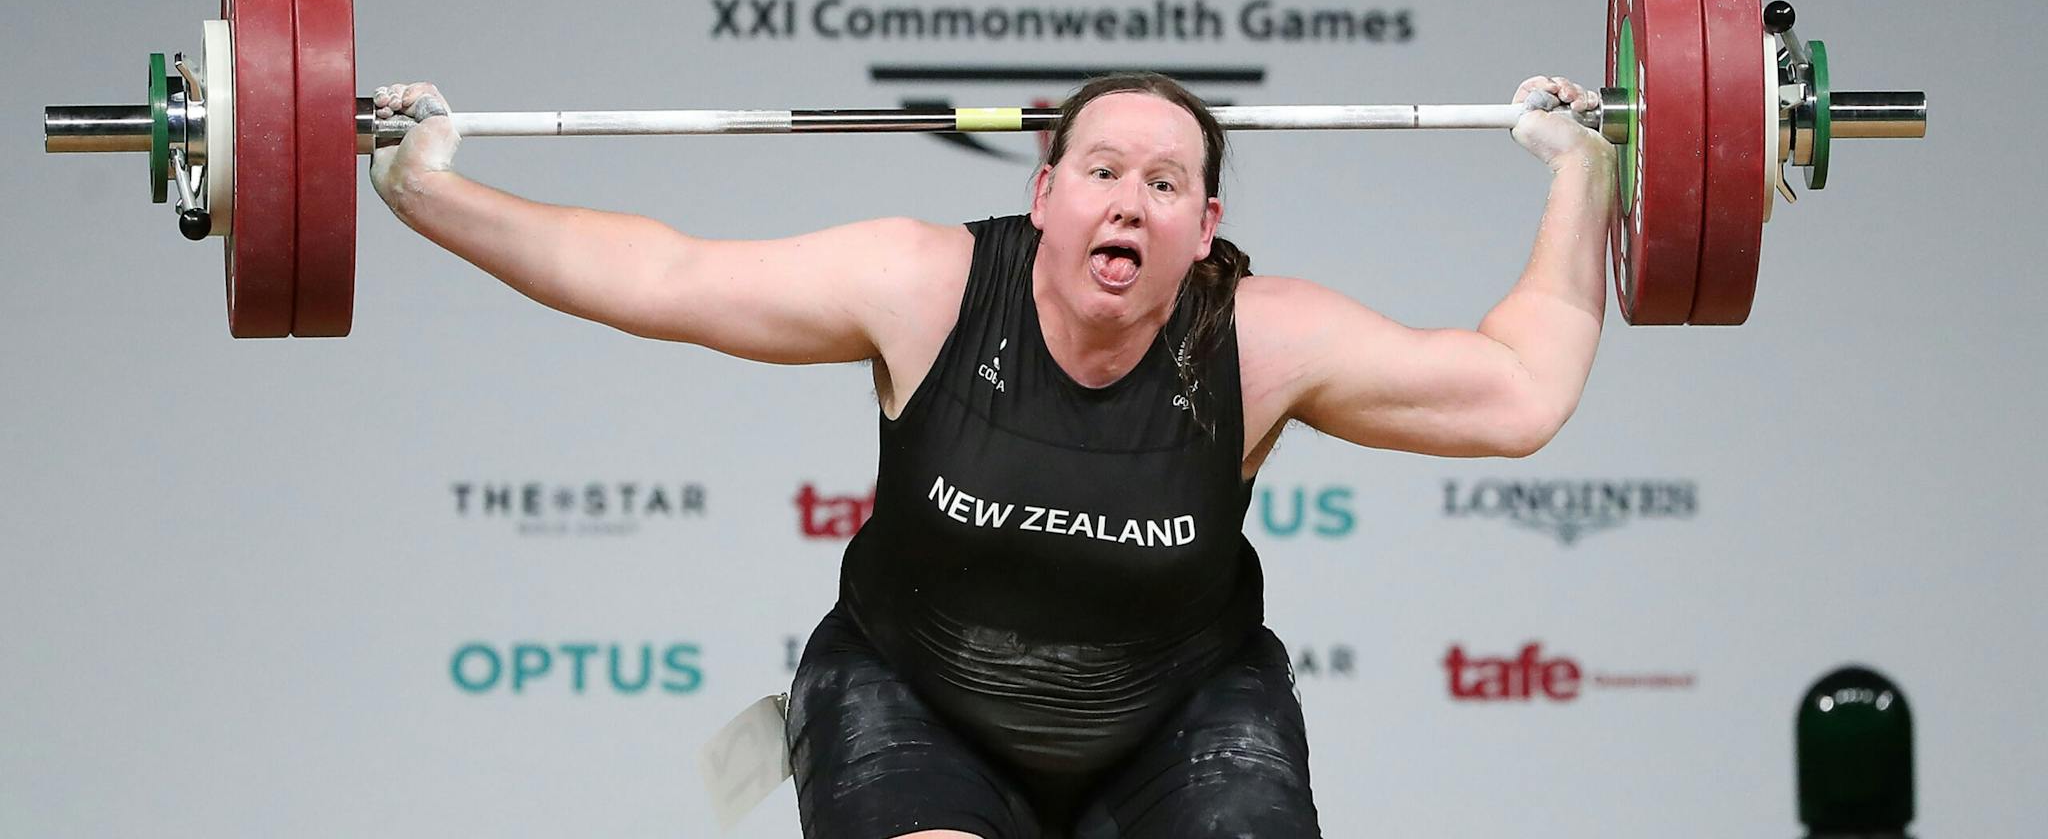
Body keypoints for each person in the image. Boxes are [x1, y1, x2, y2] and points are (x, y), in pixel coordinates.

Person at [369, 72, 1612, 839]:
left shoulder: (1264, 339)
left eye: (1166, 182)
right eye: (1103, 170)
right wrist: (429, 192)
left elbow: (1513, 394)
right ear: (1044, 195)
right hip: (913, 698)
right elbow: (660, 275)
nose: (1128, 200)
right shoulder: (924, 286)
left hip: (1179, 711)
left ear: (1204, 227)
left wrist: (1585, 171)